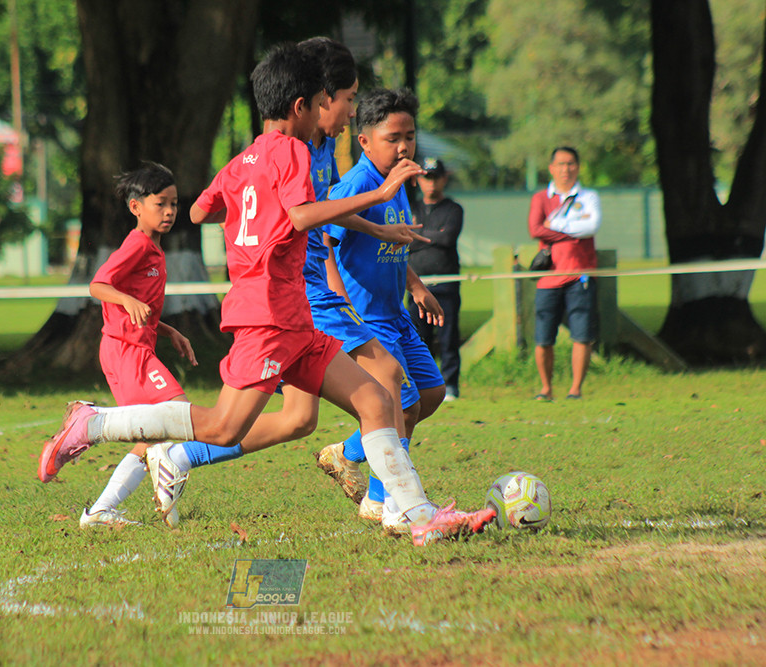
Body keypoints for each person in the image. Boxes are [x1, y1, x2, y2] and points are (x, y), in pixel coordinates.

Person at [39, 43, 495, 546]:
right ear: (301, 106)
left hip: (295, 319)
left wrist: (246, 214)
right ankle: (93, 423)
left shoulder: (242, 162)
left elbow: (198, 212)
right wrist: (381, 195)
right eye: (323, 99)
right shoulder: (294, 150)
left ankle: (418, 516)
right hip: (268, 319)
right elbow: (299, 215)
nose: (326, 109)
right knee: (220, 428)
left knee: (374, 398)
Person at [323, 88, 450, 526]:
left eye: (410, 136)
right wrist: (341, 304)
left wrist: (415, 286)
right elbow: (325, 241)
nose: (403, 146)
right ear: (365, 141)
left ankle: (347, 451)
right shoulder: (357, 184)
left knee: (431, 395)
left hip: (395, 312)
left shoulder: (397, 184)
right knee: (403, 405)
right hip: (368, 318)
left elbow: (393, 241)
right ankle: (382, 501)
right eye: (393, 137)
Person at [75, 162, 205, 529]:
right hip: (126, 352)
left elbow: (141, 309)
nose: (169, 212)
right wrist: (125, 300)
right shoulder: (137, 244)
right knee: (177, 415)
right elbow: (98, 285)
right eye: (160, 204)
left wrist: (168, 331)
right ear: (136, 208)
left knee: (158, 431)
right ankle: (89, 426)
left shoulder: (153, 249)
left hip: (133, 350)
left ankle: (103, 511)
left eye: (174, 204)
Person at [527, 146, 601, 401]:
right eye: (560, 164)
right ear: (551, 168)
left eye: (570, 164)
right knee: (544, 336)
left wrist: (555, 226)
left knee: (582, 333)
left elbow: (591, 226)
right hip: (549, 278)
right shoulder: (540, 198)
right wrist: (574, 230)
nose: (566, 169)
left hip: (580, 275)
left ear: (578, 167)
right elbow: (536, 229)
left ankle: (575, 389)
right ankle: (546, 388)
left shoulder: (588, 197)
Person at [407, 157, 464, 402]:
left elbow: (448, 238)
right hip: (416, 285)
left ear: (444, 178)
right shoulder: (411, 208)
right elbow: (402, 240)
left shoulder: (453, 209)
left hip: (446, 283)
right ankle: (423, 384)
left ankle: (451, 385)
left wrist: (415, 235)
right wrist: (430, 236)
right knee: (420, 338)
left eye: (436, 177)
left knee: (449, 336)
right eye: (426, 177)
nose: (431, 183)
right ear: (418, 180)